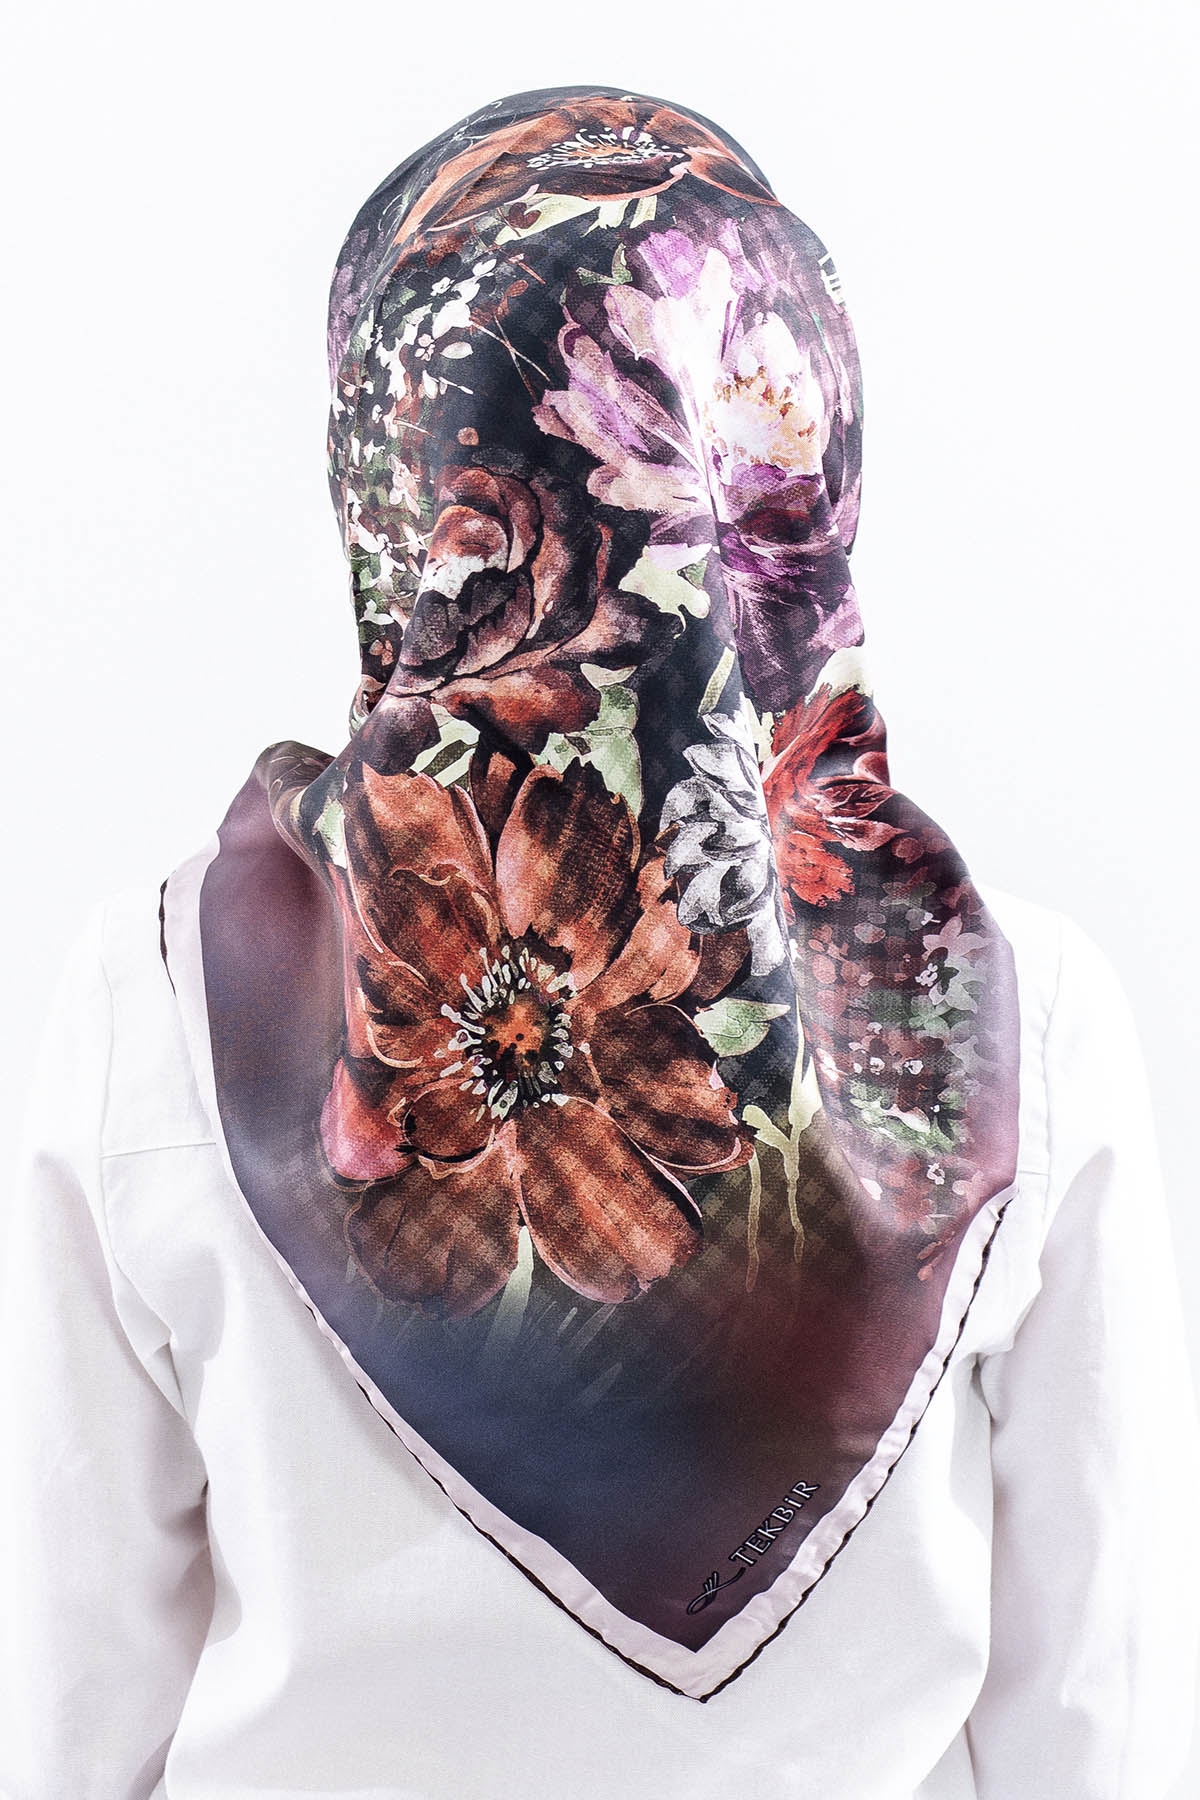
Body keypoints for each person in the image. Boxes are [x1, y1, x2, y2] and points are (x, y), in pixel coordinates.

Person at [2, 83, 1197, 1800]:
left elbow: (69, 1716)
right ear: (802, 450)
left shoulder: (163, 998)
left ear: (391, 473)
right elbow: (1095, 1726)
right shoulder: (1016, 1019)